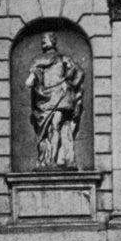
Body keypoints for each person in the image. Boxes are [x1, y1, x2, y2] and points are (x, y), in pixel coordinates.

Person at [25, 32, 84, 168]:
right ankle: (46, 159)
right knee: (46, 130)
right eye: (41, 40)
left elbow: (79, 72)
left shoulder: (63, 58)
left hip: (60, 96)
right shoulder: (38, 60)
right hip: (44, 99)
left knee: (56, 125)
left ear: (53, 41)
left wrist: (69, 83)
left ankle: (52, 159)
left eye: (45, 39)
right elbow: (31, 79)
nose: (43, 42)